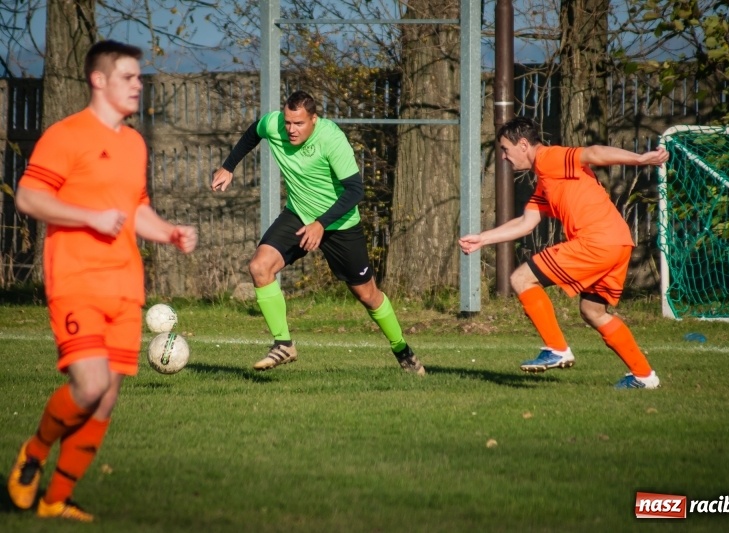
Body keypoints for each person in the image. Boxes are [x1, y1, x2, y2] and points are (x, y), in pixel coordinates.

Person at [7, 40, 198, 522]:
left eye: (138, 77)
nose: (138, 85)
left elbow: (135, 209)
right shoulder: (66, 135)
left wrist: (168, 232)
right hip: (75, 280)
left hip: (125, 286)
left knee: (106, 399)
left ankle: (56, 500)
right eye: (129, 77)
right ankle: (33, 454)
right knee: (89, 387)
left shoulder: (133, 142)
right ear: (99, 80)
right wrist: (90, 217)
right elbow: (28, 197)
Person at [211, 90, 423, 375]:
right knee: (259, 267)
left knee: (368, 295)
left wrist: (321, 223)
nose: (290, 129)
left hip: (339, 224)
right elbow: (254, 132)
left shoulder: (331, 139)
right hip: (298, 215)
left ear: (314, 119)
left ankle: (402, 350)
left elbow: (355, 190)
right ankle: (284, 344)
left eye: (298, 123)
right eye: (288, 122)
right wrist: (228, 166)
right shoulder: (274, 124)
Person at [459, 116, 668, 389]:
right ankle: (644, 376)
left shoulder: (549, 158)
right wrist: (482, 239)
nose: (504, 157)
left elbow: (592, 153)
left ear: (523, 145)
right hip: (618, 243)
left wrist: (641, 160)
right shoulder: (545, 180)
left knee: (521, 279)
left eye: (505, 149)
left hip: (596, 242)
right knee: (593, 311)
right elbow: (526, 223)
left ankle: (556, 348)